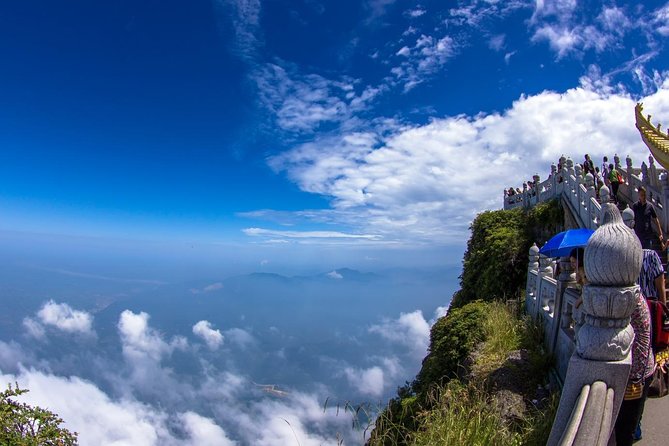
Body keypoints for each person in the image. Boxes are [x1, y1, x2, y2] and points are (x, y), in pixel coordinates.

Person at [613, 289, 655, 445]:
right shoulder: (629, 293)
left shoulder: (627, 296)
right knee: (627, 426)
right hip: (635, 370)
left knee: (625, 429)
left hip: (637, 374)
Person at [632, 186, 665, 251]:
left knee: (648, 254)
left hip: (648, 235)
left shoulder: (650, 206)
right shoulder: (635, 206)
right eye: (641, 195)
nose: (643, 197)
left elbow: (656, 220)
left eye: (644, 195)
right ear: (639, 195)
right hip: (638, 235)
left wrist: (660, 233)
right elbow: (632, 220)